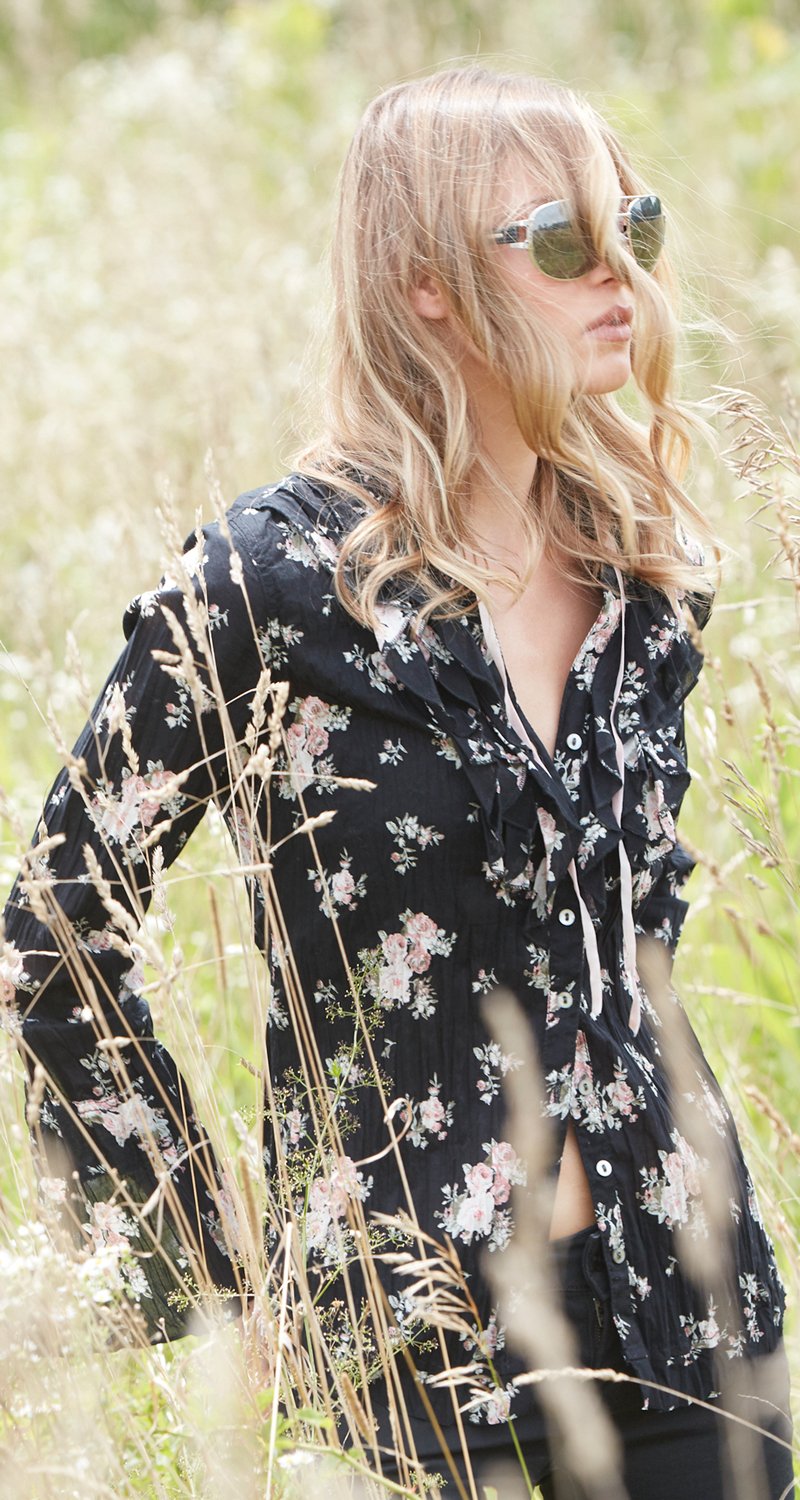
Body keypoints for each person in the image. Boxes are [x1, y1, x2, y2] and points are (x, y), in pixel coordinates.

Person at [1, 64, 794, 1499]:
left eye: (639, 225)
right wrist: (208, 1270)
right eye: (562, 240)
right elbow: (53, 930)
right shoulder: (267, 582)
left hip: (692, 1319)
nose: (617, 275)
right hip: (412, 1365)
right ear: (427, 284)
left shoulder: (645, 576)